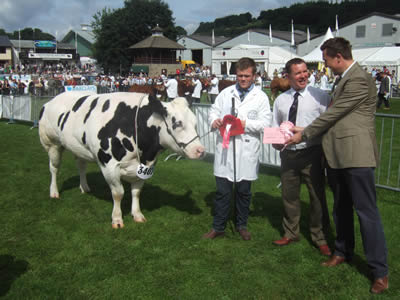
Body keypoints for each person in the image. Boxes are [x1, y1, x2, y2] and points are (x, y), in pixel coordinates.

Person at [287, 37, 388, 294]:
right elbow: (333, 118)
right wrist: (303, 128)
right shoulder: (343, 79)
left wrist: (304, 134)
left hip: (356, 156)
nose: (325, 65)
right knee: (341, 209)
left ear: (338, 57)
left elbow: (333, 114)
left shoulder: (359, 79)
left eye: (326, 60)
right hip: (336, 155)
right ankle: (342, 251)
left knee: (367, 213)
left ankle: (379, 271)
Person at [203, 57, 272, 241]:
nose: (243, 79)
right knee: (222, 192)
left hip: (247, 150)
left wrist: (244, 123)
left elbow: (266, 124)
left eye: (247, 76)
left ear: (254, 76)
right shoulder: (226, 93)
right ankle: (218, 226)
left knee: (243, 192)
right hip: (225, 150)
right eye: (240, 76)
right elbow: (213, 111)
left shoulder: (261, 97)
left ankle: (241, 225)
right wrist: (214, 121)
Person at [271, 58, 332, 256]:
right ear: (287, 76)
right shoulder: (281, 100)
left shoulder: (320, 96)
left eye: (305, 71)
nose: (303, 75)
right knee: (289, 196)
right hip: (288, 155)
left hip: (312, 153)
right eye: (298, 73)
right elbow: (276, 127)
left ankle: (320, 237)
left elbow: (327, 127)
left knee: (317, 198)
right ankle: (291, 233)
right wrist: (276, 141)